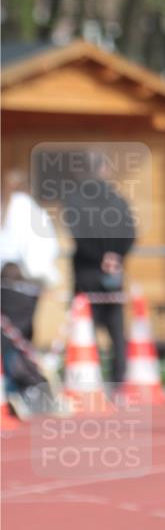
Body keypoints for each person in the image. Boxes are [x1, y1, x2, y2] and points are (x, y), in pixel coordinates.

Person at [63, 151, 136, 385]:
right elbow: (130, 232)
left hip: (87, 273)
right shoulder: (118, 199)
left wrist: (101, 259)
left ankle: (87, 380)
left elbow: (78, 235)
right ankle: (118, 381)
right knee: (115, 330)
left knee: (87, 328)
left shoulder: (75, 199)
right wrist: (115, 258)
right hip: (111, 272)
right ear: (104, 169)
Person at [0, 168, 60, 413]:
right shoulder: (30, 210)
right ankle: (27, 388)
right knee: (20, 338)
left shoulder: (17, 209)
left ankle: (33, 386)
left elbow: (21, 247)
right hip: (26, 285)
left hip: (15, 282)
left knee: (12, 340)